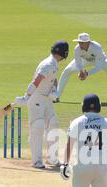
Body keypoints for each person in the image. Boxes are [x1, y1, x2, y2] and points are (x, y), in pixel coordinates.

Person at [14, 41, 69, 169]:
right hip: (37, 98)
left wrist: (54, 90)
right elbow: (36, 81)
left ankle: (52, 158)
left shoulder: (54, 63)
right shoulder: (47, 64)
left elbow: (53, 79)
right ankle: (36, 160)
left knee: (54, 123)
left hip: (46, 99)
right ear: (64, 53)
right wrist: (26, 97)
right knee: (38, 127)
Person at [54, 33, 107, 104]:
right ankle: (56, 96)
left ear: (88, 42)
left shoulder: (97, 48)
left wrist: (87, 74)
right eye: (79, 42)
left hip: (101, 60)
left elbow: (98, 66)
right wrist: (81, 71)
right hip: (85, 60)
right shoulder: (77, 49)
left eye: (82, 42)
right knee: (67, 71)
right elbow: (78, 62)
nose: (80, 44)